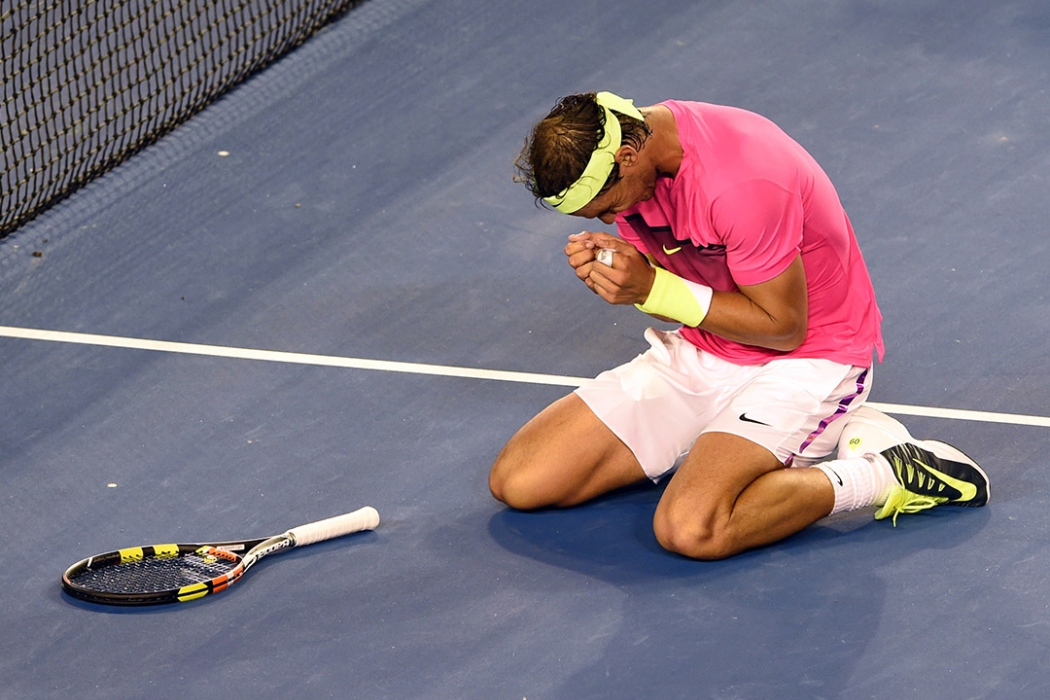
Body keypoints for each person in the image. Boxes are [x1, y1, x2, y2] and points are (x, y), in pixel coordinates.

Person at [489, 91, 989, 560]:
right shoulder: (629, 161)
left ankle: (889, 470)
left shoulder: (744, 178)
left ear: (626, 159)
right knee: (521, 480)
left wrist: (649, 288)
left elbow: (782, 327)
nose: (610, 219)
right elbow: (686, 295)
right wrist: (627, 275)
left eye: (610, 209)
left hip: (808, 357)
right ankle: (737, 442)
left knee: (692, 528)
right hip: (710, 348)